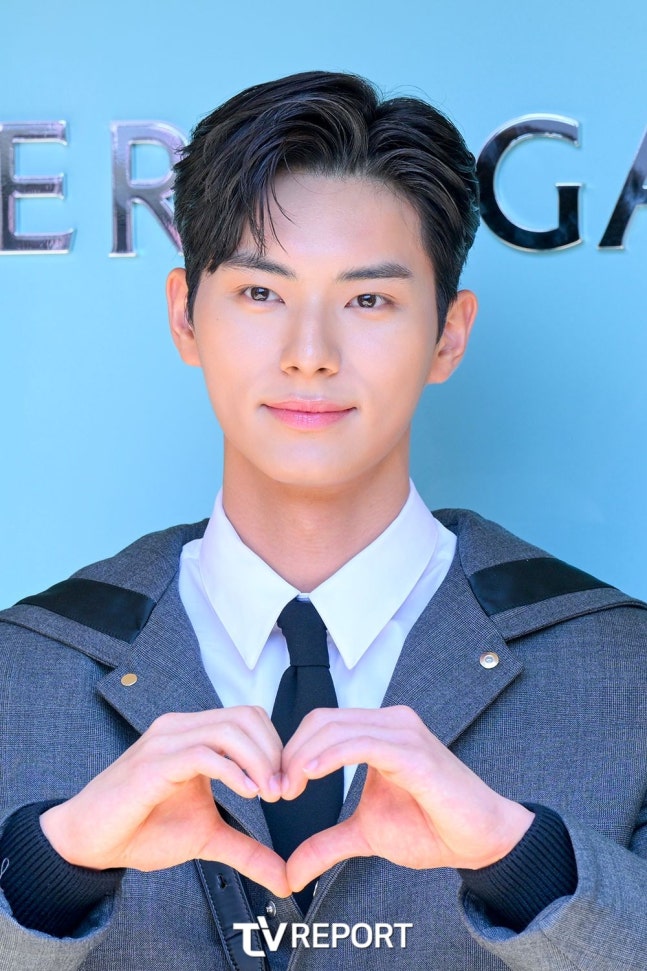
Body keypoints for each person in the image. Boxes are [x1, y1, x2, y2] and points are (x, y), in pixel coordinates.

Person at [0, 70, 646, 971]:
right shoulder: (22, 669)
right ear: (184, 316)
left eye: (368, 299)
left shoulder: (621, 669)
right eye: (260, 294)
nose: (310, 355)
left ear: (448, 334)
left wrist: (524, 863)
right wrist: (47, 874)